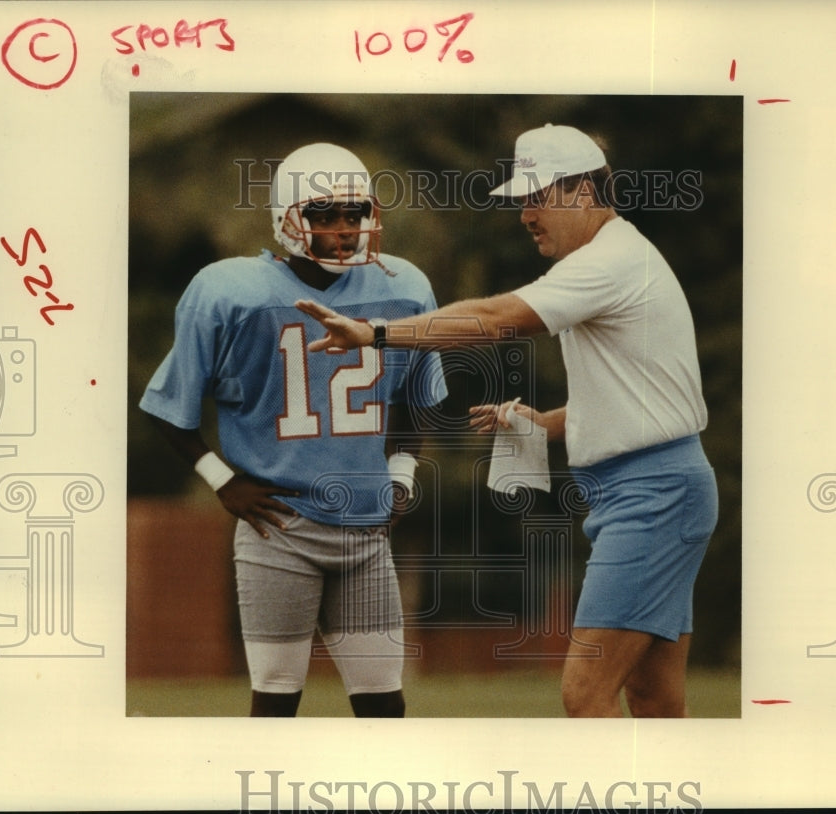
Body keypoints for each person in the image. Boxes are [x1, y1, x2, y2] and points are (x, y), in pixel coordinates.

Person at [296, 124, 718, 718]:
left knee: (584, 693)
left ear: (579, 190)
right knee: (652, 697)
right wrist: (543, 424)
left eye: (535, 196)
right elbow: (647, 402)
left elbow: (495, 318)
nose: (525, 214)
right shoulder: (620, 256)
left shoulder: (609, 261)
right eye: (521, 201)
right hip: (659, 486)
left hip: (653, 495)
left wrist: (374, 333)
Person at [139, 142, 447, 718]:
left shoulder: (404, 287)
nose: (343, 230)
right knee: (276, 704)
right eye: (324, 214)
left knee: (386, 708)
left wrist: (401, 475)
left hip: (365, 532)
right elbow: (167, 405)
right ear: (288, 218)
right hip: (278, 528)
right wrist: (222, 480)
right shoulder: (228, 291)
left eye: (354, 214)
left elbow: (417, 398)